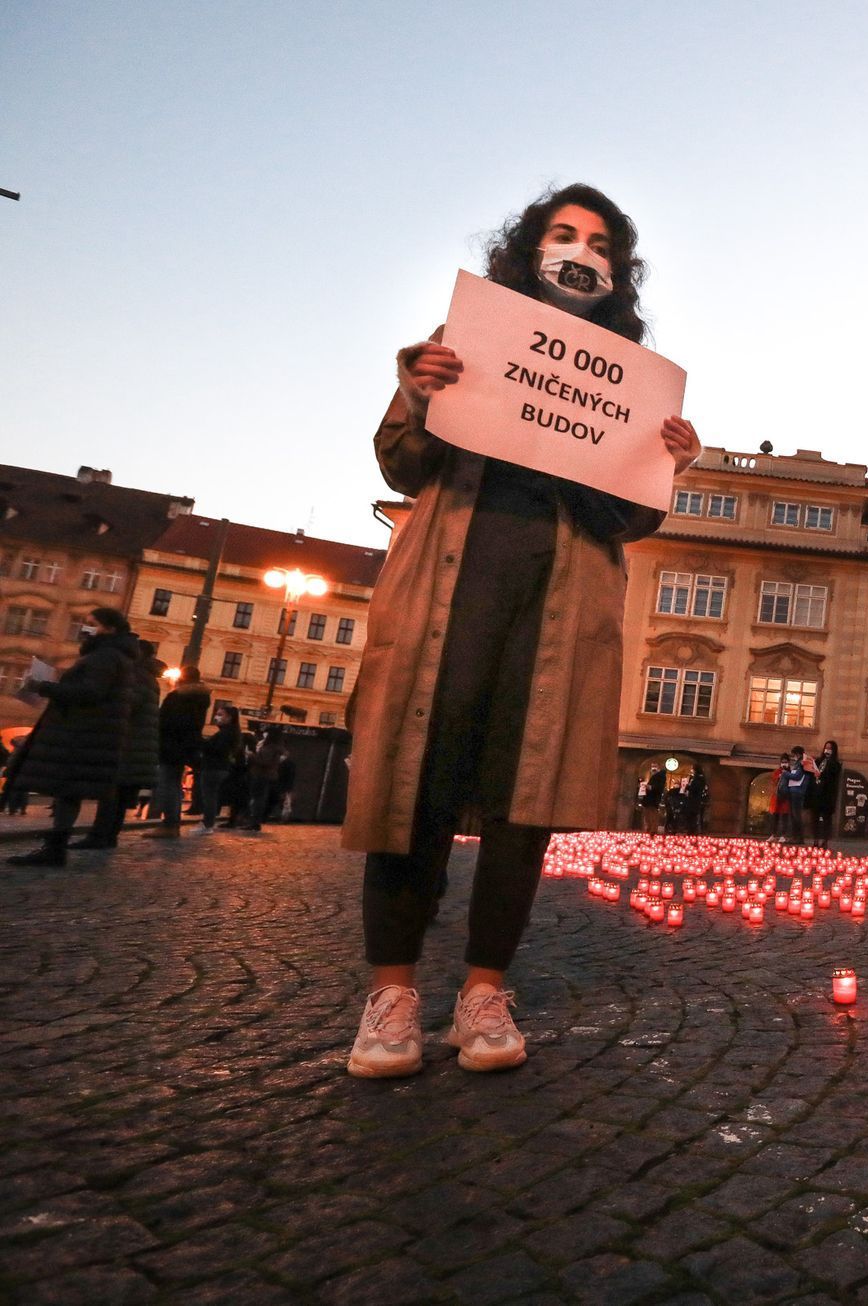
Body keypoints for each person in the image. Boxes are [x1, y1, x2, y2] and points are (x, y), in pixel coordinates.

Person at [341, 183, 702, 1079]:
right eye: (563, 234)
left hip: (561, 602)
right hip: (448, 593)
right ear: (530, 249)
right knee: (410, 785)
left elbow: (631, 519)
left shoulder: (626, 378)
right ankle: (390, 995)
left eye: (601, 245)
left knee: (521, 800)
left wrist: (668, 464)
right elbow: (402, 460)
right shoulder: (468, 342)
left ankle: (482, 992)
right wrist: (418, 391)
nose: (581, 252)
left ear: (617, 274)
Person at [6, 608, 139, 867]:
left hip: (83, 733)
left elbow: (90, 692)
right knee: (69, 792)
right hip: (88, 733)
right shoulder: (110, 655)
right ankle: (55, 848)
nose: (85, 628)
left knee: (68, 790)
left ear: (109, 628)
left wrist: (44, 687)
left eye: (92, 624)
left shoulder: (106, 656)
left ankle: (55, 850)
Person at [77, 638, 162, 849]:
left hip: (127, 743)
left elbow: (127, 704)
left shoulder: (137, 676)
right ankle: (109, 836)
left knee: (112, 793)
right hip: (135, 744)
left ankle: (100, 836)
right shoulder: (148, 676)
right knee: (121, 795)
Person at [148, 667, 211, 839]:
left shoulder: (179, 697)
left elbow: (168, 722)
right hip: (185, 746)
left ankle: (170, 824)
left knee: (167, 784)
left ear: (182, 679)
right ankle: (171, 823)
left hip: (171, 746)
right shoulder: (200, 698)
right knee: (173, 784)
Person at [195, 706, 242, 831]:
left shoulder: (225, 733)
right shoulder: (230, 732)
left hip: (213, 767)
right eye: (217, 714)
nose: (216, 717)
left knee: (209, 797)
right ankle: (208, 823)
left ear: (229, 717)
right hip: (220, 768)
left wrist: (202, 743)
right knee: (211, 796)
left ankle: (207, 824)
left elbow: (216, 749)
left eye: (220, 714)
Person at [240, 727, 281, 830]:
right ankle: (254, 822)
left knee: (258, 799)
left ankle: (254, 822)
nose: (264, 734)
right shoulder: (275, 746)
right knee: (259, 799)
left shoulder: (270, 747)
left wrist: (251, 755)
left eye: (266, 732)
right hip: (265, 775)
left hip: (261, 775)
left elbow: (264, 761)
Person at [809, 740, 843, 849]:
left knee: (826, 819)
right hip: (816, 793)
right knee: (815, 818)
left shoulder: (835, 764)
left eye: (829, 748)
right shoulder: (819, 761)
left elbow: (832, 778)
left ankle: (824, 841)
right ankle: (815, 840)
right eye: (826, 747)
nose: (827, 750)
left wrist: (822, 774)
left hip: (827, 795)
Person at [777, 746, 810, 844]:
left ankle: (798, 837)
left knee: (796, 815)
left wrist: (785, 773)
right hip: (793, 791)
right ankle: (795, 837)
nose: (793, 757)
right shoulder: (798, 763)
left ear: (798, 754)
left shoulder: (802, 763)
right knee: (793, 815)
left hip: (797, 792)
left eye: (794, 755)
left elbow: (797, 776)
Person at [682, 767, 707, 833]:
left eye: (693, 769)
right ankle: (691, 830)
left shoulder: (698, 779)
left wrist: (688, 786)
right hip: (694, 800)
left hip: (694, 801)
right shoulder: (697, 778)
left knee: (692, 816)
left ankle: (692, 831)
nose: (691, 771)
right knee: (692, 816)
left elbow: (695, 789)